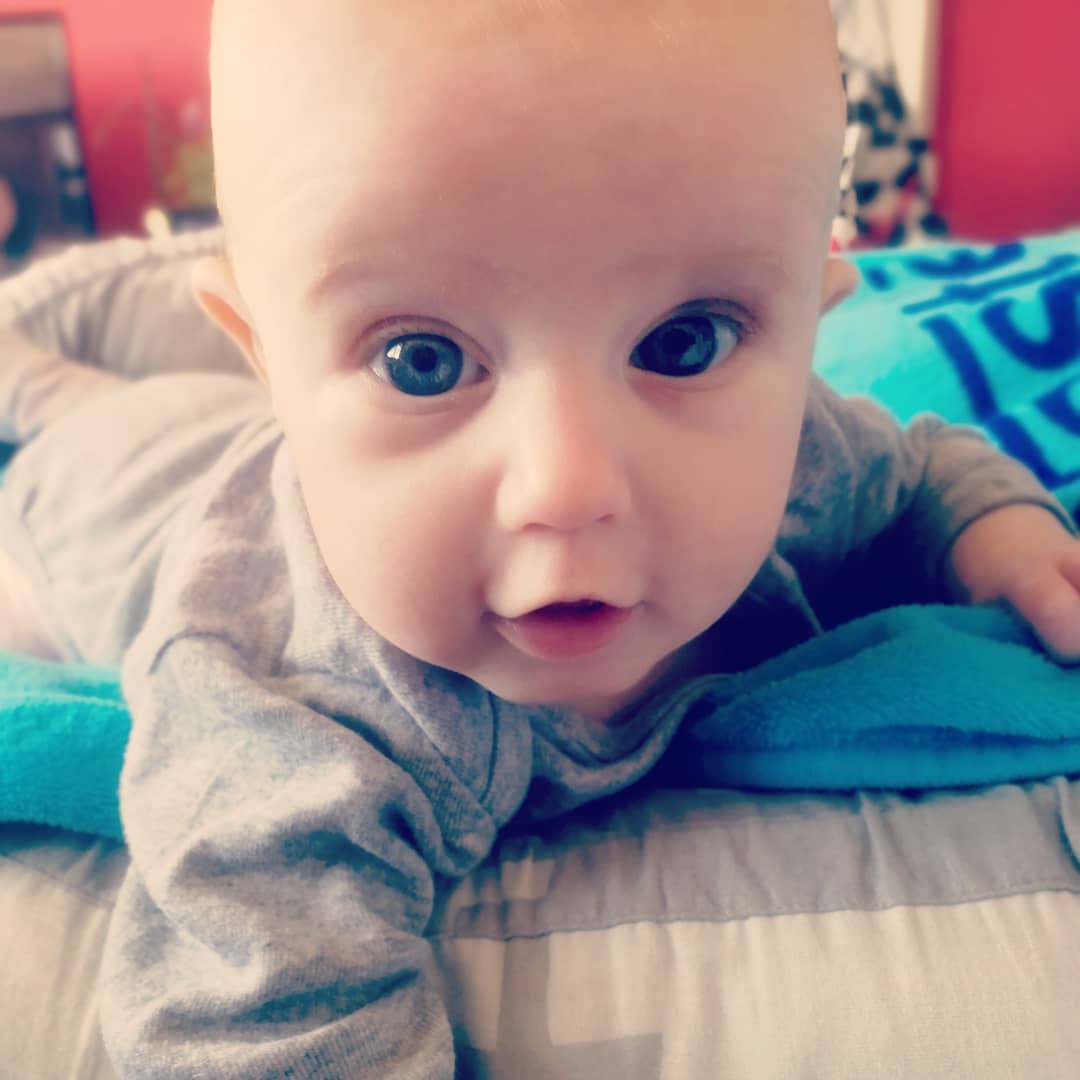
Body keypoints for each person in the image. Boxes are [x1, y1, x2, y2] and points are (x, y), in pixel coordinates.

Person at [0, 1, 1078, 1076]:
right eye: (421, 360)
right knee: (66, 418)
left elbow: (920, 469)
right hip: (92, 499)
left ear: (807, 335)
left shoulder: (800, 455)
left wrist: (1001, 530)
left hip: (215, 425)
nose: (567, 485)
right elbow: (259, 1030)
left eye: (682, 343)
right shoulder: (285, 720)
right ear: (266, 356)